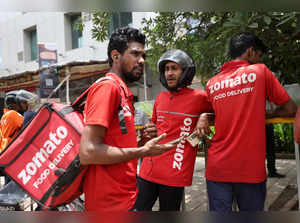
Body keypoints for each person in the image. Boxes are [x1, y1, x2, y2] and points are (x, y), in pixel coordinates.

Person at [196, 32, 297, 212]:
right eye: (258, 55)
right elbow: (290, 109)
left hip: (217, 168)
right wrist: (266, 115)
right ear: (250, 52)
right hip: (249, 170)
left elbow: (214, 115)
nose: (259, 60)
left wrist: (204, 116)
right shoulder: (260, 71)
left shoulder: (212, 83)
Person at [79, 26, 175, 211]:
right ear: (116, 56)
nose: (141, 61)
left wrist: (142, 143)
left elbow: (116, 146)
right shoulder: (108, 88)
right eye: (135, 54)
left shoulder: (123, 92)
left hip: (125, 199)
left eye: (143, 56)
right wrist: (143, 152)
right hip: (108, 206)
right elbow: (88, 151)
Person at [133, 49, 212, 211]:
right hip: (149, 168)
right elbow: (154, 126)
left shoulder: (200, 97)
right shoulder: (160, 98)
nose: (169, 73)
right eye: (166, 69)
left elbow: (222, 113)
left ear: (186, 71)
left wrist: (206, 116)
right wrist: (149, 130)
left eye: (174, 68)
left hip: (175, 172)